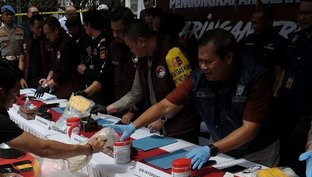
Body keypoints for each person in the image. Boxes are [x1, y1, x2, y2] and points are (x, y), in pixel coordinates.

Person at [107, 29, 279, 169]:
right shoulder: (199, 76)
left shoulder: (255, 76)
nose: (203, 67)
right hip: (220, 146)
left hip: (257, 151)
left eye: (208, 62)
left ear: (228, 58)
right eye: (200, 61)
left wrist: (211, 149)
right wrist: (133, 126)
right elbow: (166, 105)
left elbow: (249, 128)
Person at [95, 19, 200, 143]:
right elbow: (135, 92)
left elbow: (184, 94)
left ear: (140, 41)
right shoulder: (142, 59)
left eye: (130, 47)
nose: (131, 51)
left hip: (181, 127)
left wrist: (163, 118)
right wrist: (107, 109)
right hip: (160, 125)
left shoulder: (172, 53)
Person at [274, 0, 312, 177]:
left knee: (299, 153)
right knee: (282, 150)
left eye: (307, 13)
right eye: (300, 13)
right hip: (285, 103)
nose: (302, 17)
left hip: (306, 109)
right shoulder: (294, 38)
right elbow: (282, 68)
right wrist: (276, 91)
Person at [36, 16, 81, 99]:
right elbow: (53, 66)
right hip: (61, 88)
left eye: (47, 33)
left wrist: (46, 86)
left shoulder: (67, 44)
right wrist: (47, 80)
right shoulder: (55, 43)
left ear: (56, 30)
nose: (46, 36)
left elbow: (64, 72)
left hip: (71, 88)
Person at [242, 7, 286, 90]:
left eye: (256, 23)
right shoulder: (248, 39)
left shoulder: (279, 42)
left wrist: (274, 93)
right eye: (252, 23)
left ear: (268, 22)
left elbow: (279, 73)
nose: (253, 26)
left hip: (266, 89)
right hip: (245, 87)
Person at [76, 9, 114, 104]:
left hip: (102, 93)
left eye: (85, 25)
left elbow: (102, 72)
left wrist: (85, 70)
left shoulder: (103, 43)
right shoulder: (94, 41)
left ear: (89, 25)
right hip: (93, 90)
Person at [109, 7, 136, 107]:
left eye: (119, 31)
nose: (115, 35)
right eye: (113, 31)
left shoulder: (139, 48)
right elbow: (106, 74)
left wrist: (133, 110)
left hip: (139, 109)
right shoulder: (114, 46)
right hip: (119, 104)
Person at [19, 14, 49, 89]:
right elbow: (22, 60)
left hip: (44, 79)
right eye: (38, 27)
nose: (40, 30)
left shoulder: (47, 41)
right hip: (29, 80)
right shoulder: (26, 42)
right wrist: (20, 77)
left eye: (41, 27)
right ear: (31, 27)